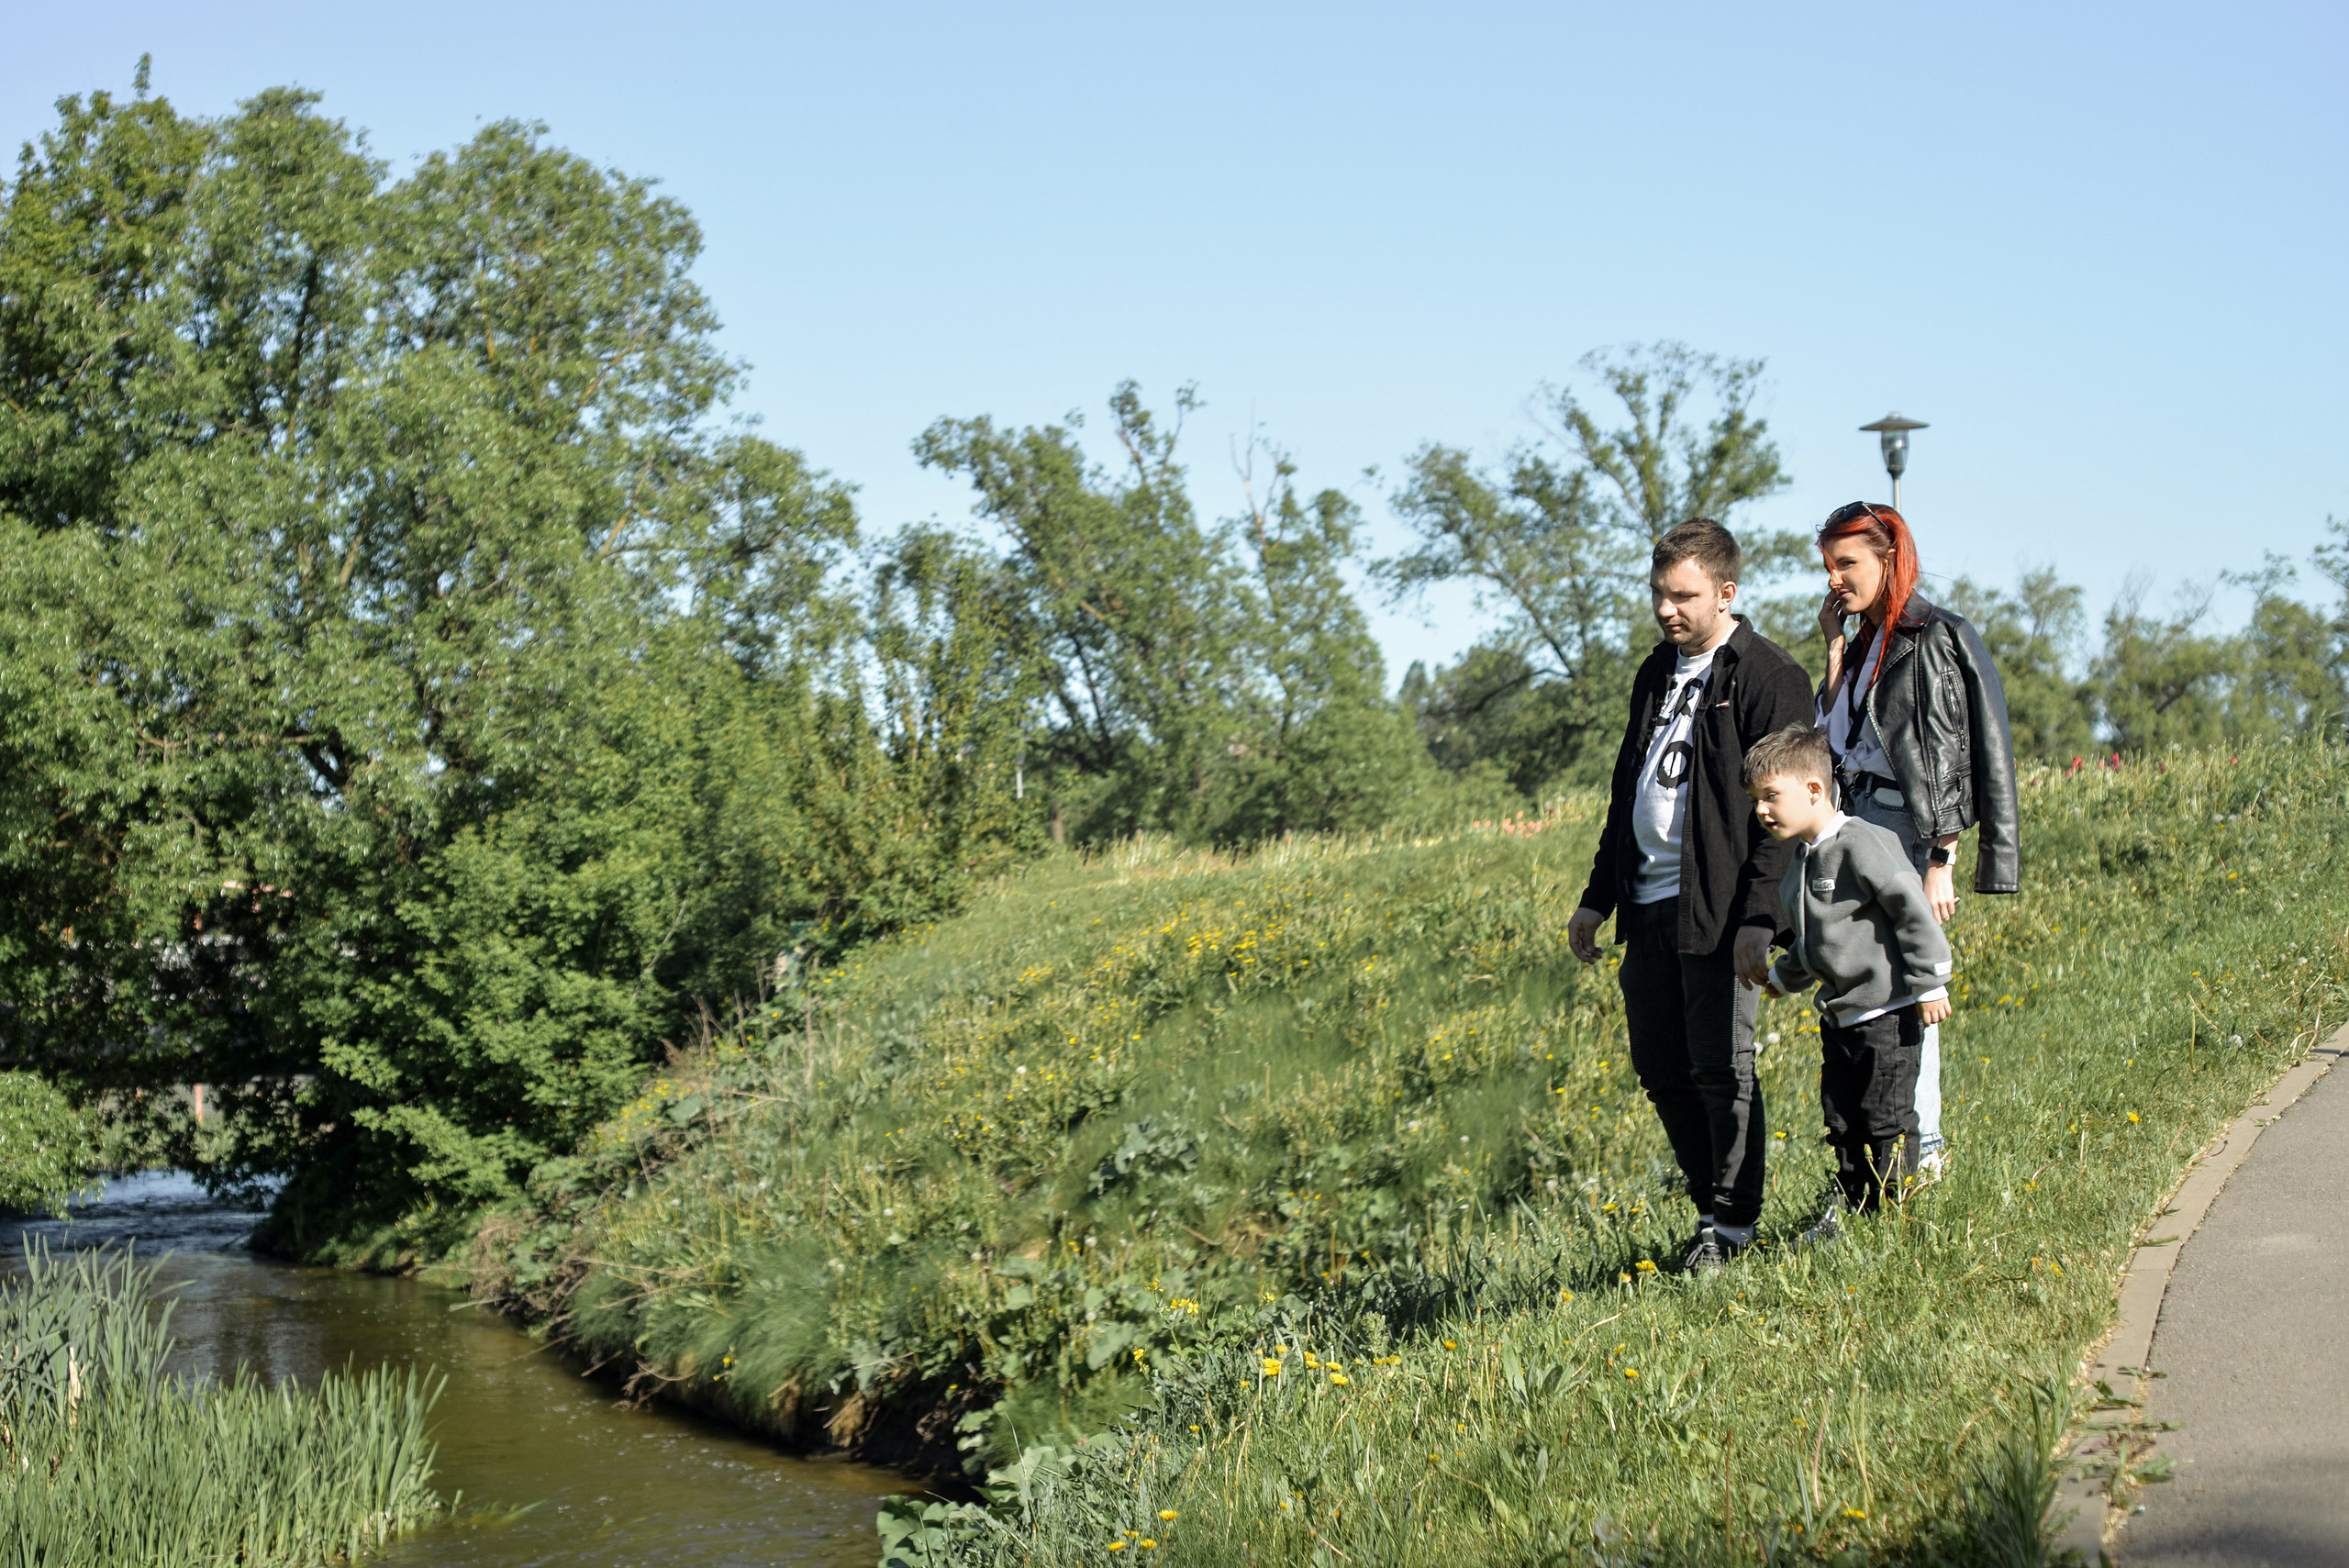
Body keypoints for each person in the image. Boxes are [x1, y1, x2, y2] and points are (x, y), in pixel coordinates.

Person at [1567, 518, 1815, 1272]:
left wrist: (1761, 916)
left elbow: (1783, 813)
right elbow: (1627, 792)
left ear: (1726, 592)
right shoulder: (1655, 673)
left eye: (1683, 596)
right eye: (1658, 594)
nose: (1666, 609)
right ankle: (1710, 1207)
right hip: (1647, 902)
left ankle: (1734, 1225)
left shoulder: (1769, 676)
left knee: (1721, 1067)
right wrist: (1598, 896)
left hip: (1719, 906)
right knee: (1661, 1068)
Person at [1810, 502, 2019, 1177]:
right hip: (1859, 821)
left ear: (1889, 558)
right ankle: (1885, 1159)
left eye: (1847, 563)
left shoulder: (1931, 636)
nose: (1835, 578)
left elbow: (1946, 751)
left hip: (1906, 828)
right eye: (1828, 565)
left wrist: (1941, 857)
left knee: (1907, 993)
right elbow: (1833, 738)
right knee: (1869, 983)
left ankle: (1921, 1151)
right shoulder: (1864, 642)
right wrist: (1835, 647)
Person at [1744, 724, 1954, 1230]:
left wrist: (1930, 982)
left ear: (1814, 789)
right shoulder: (1802, 861)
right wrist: (1783, 976)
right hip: (1842, 1019)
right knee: (1842, 1119)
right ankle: (1855, 1210)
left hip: (1888, 1013)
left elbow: (1911, 909)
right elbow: (1817, 940)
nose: (1761, 810)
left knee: (1886, 1120)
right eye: (1755, 801)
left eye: (1771, 796)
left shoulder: (1861, 842)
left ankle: (1895, 1218)